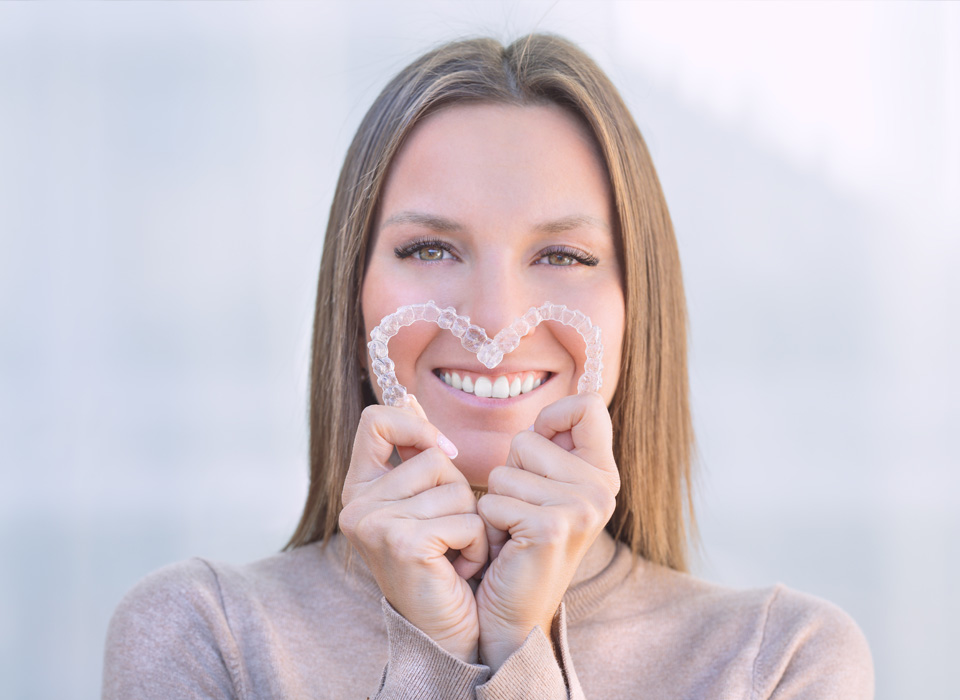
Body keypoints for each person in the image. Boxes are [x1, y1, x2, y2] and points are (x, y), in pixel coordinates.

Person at [102, 34, 874, 699]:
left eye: (562, 255)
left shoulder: (778, 661)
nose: (495, 319)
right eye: (430, 249)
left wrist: (514, 647)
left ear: (639, 307)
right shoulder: (204, 636)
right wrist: (428, 646)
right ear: (353, 290)